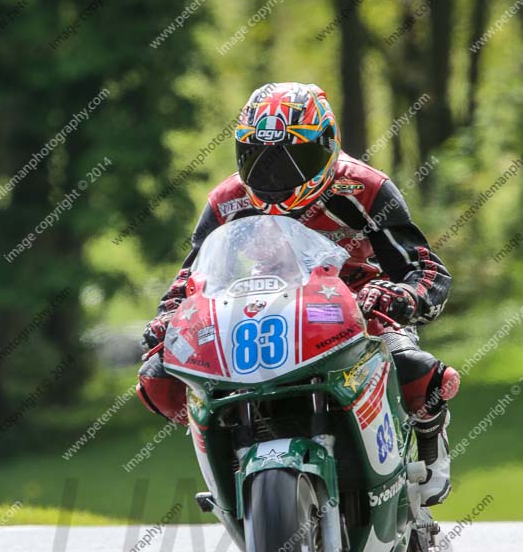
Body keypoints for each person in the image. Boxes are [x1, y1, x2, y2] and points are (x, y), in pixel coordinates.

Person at [138, 82, 459, 506]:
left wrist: (401, 296)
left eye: (295, 156)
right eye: (258, 157)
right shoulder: (227, 200)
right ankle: (227, 458)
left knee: (416, 368)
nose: (274, 175)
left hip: (356, 308)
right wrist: (169, 318)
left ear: (327, 147)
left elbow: (424, 268)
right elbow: (190, 277)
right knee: (158, 376)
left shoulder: (364, 188)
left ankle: (430, 444)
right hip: (257, 308)